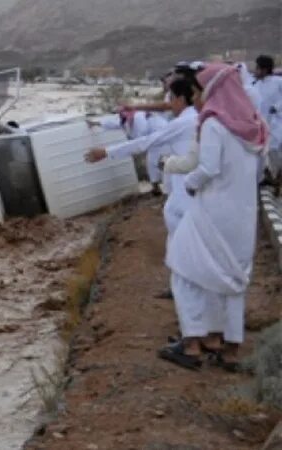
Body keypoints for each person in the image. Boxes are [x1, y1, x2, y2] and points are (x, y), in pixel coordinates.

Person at [160, 63, 268, 371]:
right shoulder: (255, 126)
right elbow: (257, 173)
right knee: (232, 278)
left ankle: (192, 343)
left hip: (213, 211)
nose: (194, 99)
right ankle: (229, 348)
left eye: (196, 91)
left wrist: (191, 185)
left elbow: (207, 168)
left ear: (211, 91)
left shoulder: (214, 124)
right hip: (244, 214)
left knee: (184, 270)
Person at [86, 79, 198, 298]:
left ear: (180, 99)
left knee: (185, 240)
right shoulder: (192, 119)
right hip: (182, 187)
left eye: (171, 100)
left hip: (188, 188)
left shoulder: (184, 122)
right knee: (177, 234)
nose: (169, 105)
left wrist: (107, 152)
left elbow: (145, 142)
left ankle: (188, 289)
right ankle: (181, 285)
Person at [89, 108, 169, 195]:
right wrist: (96, 123)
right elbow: (113, 124)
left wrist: (132, 145)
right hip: (152, 141)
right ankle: (157, 187)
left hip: (161, 137)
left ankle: (164, 185)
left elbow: (141, 135)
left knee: (157, 161)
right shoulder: (125, 120)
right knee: (153, 162)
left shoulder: (139, 117)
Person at [253, 55, 282, 188]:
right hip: (263, 126)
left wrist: (276, 107)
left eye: (258, 68)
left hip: (277, 124)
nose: (256, 71)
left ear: (264, 69)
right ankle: (271, 179)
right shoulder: (256, 84)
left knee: (275, 151)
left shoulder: (278, 81)